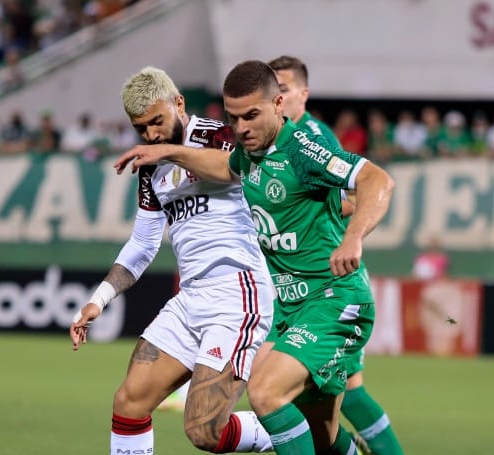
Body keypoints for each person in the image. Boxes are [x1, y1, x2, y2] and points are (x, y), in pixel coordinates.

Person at [115, 60, 395, 454]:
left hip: (333, 301)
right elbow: (221, 165)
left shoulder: (302, 151)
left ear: (279, 104)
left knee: (265, 394)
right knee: (322, 435)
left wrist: (353, 237)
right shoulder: (250, 155)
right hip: (292, 308)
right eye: (233, 118)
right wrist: (168, 152)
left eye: (251, 115)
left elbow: (377, 180)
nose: (241, 127)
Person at [69, 67, 274, 454]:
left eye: (157, 122)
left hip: (237, 292)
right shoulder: (152, 164)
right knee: (129, 401)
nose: (151, 136)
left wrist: (168, 151)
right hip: (191, 299)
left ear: (178, 103)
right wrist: (98, 299)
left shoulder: (221, 135)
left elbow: (238, 171)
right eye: (140, 128)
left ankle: (297, 431)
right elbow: (143, 244)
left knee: (204, 431)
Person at [268, 54, 405, 455]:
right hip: (294, 284)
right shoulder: (272, 137)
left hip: (327, 283)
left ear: (303, 94)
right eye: (271, 89)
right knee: (313, 403)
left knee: (321, 397)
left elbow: (351, 196)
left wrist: (337, 231)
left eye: (285, 89)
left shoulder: (312, 138)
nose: (277, 97)